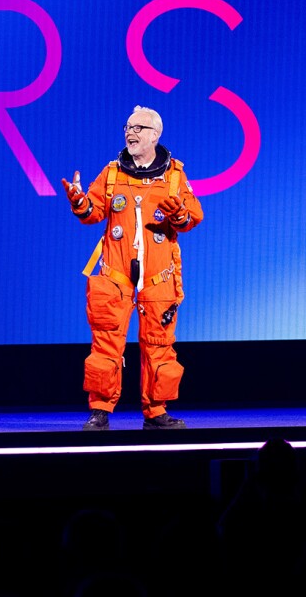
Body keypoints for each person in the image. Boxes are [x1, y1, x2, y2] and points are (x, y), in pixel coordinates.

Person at [62, 106, 203, 430]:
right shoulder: (112, 173)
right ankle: (100, 410)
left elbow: (193, 216)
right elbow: (93, 213)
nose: (131, 133)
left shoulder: (174, 176)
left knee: (159, 344)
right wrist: (80, 202)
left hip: (158, 276)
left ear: (155, 135)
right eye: (127, 127)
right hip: (115, 273)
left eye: (138, 128)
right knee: (106, 343)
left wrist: (179, 214)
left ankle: (156, 411)